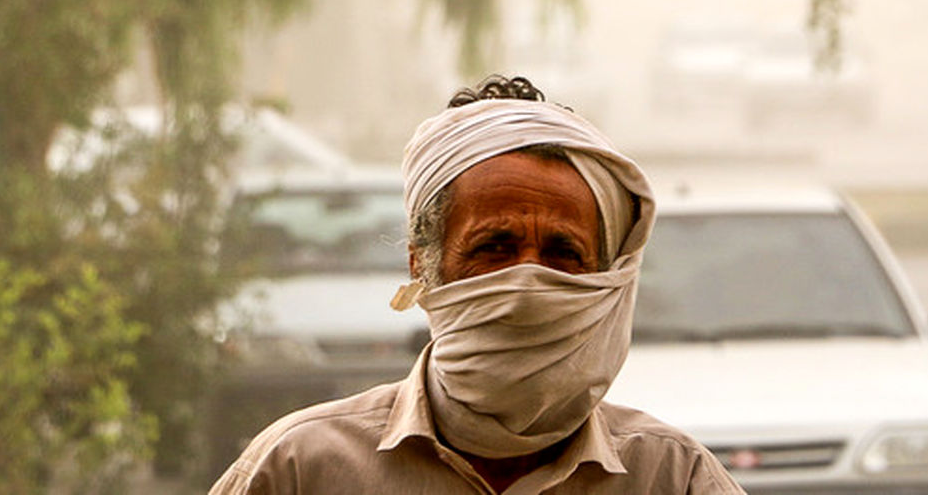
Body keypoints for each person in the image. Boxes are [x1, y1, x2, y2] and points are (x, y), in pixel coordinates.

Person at [209, 75, 745, 494]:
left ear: (608, 279)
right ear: (423, 266)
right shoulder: (299, 469)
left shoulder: (672, 477)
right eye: (495, 248)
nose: (528, 281)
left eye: (564, 253)